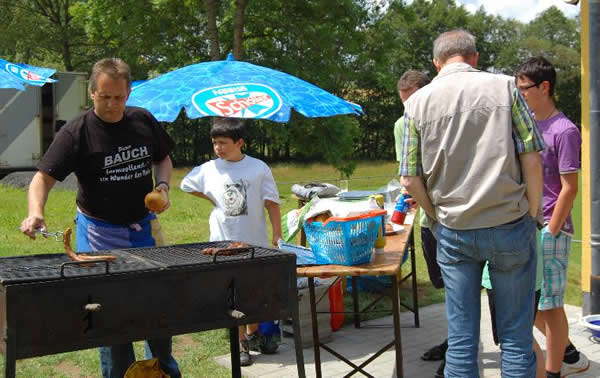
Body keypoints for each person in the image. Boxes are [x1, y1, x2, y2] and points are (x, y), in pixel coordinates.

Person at [20, 58, 181, 378]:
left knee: (158, 305)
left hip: (145, 227)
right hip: (99, 232)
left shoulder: (142, 120)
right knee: (109, 312)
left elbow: (163, 158)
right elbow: (42, 178)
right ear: (92, 93)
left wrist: (162, 186)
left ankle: (163, 371)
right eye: (105, 96)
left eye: (119, 97)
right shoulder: (77, 132)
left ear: (128, 93)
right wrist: (35, 212)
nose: (112, 104)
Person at [399, 29, 544, 377]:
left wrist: (435, 217)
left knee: (462, 340)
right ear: (474, 58)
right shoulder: (506, 86)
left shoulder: (416, 103)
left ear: (437, 64)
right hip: (510, 222)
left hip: (454, 228)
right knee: (516, 339)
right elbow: (533, 158)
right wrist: (534, 214)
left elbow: (409, 179)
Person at [180, 117, 282, 367]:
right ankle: (241, 343)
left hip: (254, 241)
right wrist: (213, 198)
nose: (218, 148)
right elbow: (185, 184)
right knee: (231, 296)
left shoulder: (258, 168)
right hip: (222, 243)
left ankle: (252, 332)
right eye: (215, 143)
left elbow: (272, 203)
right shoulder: (209, 169)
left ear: (240, 142)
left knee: (254, 292)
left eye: (223, 143)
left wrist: (277, 234)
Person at [515, 56, 589, 378]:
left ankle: (555, 370)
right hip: (525, 227)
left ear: (544, 87)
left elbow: (569, 188)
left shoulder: (565, 130)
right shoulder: (528, 124)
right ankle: (567, 351)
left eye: (525, 89)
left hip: (550, 230)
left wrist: (551, 229)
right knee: (528, 304)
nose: (521, 96)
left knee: (550, 305)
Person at [394, 70, 447, 377]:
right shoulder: (403, 125)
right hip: (430, 220)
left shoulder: (448, 120)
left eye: (412, 102)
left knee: (461, 287)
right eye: (404, 104)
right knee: (443, 284)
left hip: (458, 218)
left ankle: (456, 352)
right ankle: (453, 341)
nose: (408, 110)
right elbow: (407, 175)